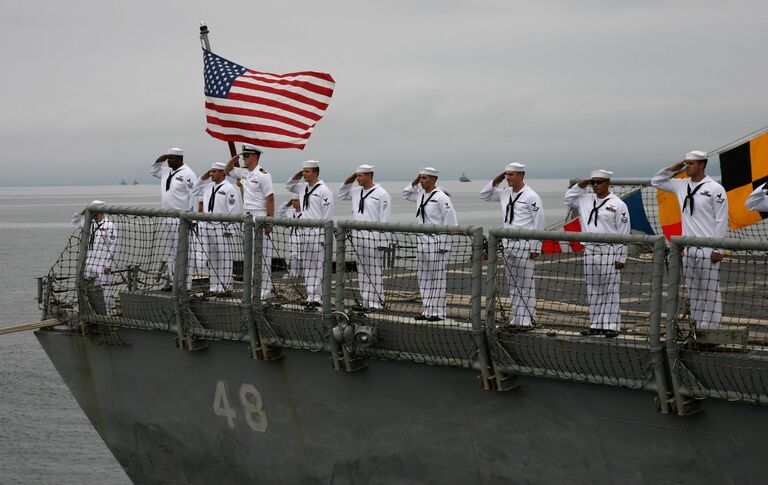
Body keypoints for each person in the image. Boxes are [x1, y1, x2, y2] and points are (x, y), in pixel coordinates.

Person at [651, 151, 728, 330]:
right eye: (686, 164)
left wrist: (718, 249)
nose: (687, 167)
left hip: (708, 248)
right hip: (687, 248)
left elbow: (721, 220)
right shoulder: (681, 185)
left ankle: (712, 328)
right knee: (694, 291)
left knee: (710, 290)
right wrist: (673, 168)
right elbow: (656, 181)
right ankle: (699, 326)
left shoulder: (715, 188)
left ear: (702, 165)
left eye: (691, 164)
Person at [564, 170, 630, 338]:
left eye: (599, 182)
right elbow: (567, 199)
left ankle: (612, 325)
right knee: (593, 288)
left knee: (610, 288)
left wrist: (621, 257)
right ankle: (596, 324)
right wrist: (581, 184)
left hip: (609, 250)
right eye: (593, 182)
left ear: (608, 183)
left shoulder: (618, 204)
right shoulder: (585, 199)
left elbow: (624, 232)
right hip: (590, 250)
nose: (595, 185)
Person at [480, 162, 545, 330]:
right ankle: (517, 318)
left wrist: (535, 247)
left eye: (511, 175)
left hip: (524, 244)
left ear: (521, 175)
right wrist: (498, 178)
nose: (508, 178)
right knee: (513, 285)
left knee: (526, 285)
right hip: (509, 245)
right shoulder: (505, 193)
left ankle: (527, 320)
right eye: (507, 174)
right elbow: (484, 195)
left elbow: (539, 222)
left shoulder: (531, 196)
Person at [402, 167, 458, 321]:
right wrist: (415, 179)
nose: (421, 181)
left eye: (425, 178)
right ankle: (428, 310)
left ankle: (438, 312)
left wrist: (445, 246)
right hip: (422, 242)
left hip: (437, 243)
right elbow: (406, 193)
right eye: (421, 178)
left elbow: (451, 222)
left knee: (437, 278)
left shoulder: (442, 197)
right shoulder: (420, 195)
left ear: (433, 179)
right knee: (424, 277)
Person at [338, 164, 393, 311]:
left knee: (374, 271)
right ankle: (366, 301)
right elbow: (341, 194)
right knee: (362, 271)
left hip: (374, 238)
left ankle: (377, 302)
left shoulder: (382, 193)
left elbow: (385, 218)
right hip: (359, 237)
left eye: (360, 176)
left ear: (369, 175)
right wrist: (350, 178)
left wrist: (383, 241)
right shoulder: (356, 192)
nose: (358, 179)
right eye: (357, 176)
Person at [224, 143, 275, 299]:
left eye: (246, 156)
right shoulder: (245, 173)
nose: (244, 158)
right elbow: (227, 171)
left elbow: (270, 199)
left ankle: (265, 289)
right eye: (243, 156)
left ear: (255, 156)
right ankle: (255, 286)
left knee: (263, 254)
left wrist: (269, 221)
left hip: (260, 216)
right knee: (251, 255)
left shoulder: (263, 174)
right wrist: (233, 159)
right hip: (247, 217)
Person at [286, 160, 334, 309]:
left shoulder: (324, 191)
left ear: (316, 172)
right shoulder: (302, 188)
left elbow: (328, 215)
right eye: (304, 171)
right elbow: (289, 186)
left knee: (318, 266)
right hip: (304, 233)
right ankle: (310, 295)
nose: (305, 174)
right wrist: (298, 174)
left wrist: (323, 237)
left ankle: (318, 297)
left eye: (307, 171)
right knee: (307, 266)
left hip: (317, 232)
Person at [150, 147, 197, 287]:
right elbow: (153, 170)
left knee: (184, 251)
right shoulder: (166, 171)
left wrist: (192, 219)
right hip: (167, 217)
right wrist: (160, 159)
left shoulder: (188, 174)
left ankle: (186, 284)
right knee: (169, 252)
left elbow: (193, 196)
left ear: (179, 159)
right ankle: (174, 281)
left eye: (171, 158)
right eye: (168, 158)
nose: (168, 161)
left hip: (182, 218)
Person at [192, 162, 242, 294]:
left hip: (222, 228)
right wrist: (203, 176)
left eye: (214, 171)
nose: (211, 174)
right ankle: (214, 287)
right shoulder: (208, 187)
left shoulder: (229, 188)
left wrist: (229, 229)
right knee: (213, 259)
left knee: (225, 258)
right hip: (209, 227)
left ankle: (226, 288)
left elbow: (234, 210)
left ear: (222, 173)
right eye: (211, 171)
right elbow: (195, 190)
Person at [71, 201, 118, 310]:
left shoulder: (109, 225)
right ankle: (89, 308)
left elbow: (113, 246)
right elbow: (75, 223)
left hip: (102, 263)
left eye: (94, 213)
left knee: (105, 287)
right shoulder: (89, 223)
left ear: (100, 212)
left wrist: (108, 265)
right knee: (88, 285)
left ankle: (108, 309)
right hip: (89, 261)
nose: (93, 216)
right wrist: (82, 212)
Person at [277, 194, 303, 279]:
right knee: (293, 256)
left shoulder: (306, 212)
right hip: (293, 237)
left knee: (302, 257)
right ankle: (293, 274)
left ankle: (302, 274)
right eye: (293, 201)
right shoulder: (290, 212)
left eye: (296, 201)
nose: (294, 202)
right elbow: (280, 212)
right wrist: (287, 204)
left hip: (303, 237)